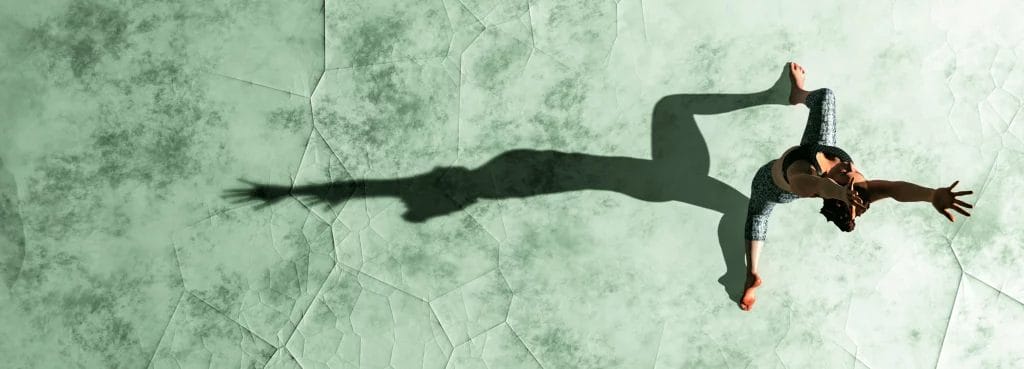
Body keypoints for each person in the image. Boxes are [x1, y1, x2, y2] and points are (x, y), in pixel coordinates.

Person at [739, 62, 976, 311]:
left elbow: (818, 184)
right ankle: (798, 93)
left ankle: (751, 274)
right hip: (817, 147)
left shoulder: (803, 180)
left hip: (770, 184)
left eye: (845, 177)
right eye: (854, 173)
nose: (850, 168)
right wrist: (931, 195)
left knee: (757, 214)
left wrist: (838, 191)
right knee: (825, 97)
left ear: (830, 188)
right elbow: (895, 190)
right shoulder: (859, 188)